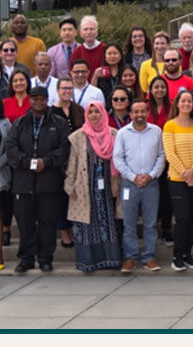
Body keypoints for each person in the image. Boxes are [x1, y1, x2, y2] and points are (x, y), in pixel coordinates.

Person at [3, 86, 70, 273]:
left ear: (47, 100)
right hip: (23, 183)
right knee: (25, 223)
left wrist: (46, 162)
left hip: (49, 182)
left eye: (42, 98)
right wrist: (28, 162)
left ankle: (45, 258)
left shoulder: (58, 123)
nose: (38, 102)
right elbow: (11, 147)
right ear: (29, 100)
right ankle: (26, 258)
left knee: (47, 222)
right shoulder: (19, 123)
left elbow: (64, 148)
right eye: (35, 98)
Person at [63, 101, 122, 272]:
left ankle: (110, 259)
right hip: (84, 186)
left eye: (97, 111)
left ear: (103, 113)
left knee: (107, 222)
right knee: (86, 225)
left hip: (108, 187)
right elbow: (73, 162)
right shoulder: (78, 136)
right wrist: (69, 184)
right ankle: (88, 262)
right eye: (91, 112)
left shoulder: (114, 134)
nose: (94, 115)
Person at [113, 99, 166, 272]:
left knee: (150, 223)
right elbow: (118, 159)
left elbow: (161, 156)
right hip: (130, 184)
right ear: (131, 114)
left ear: (147, 113)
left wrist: (150, 175)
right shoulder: (122, 133)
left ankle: (149, 257)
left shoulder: (156, 131)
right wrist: (133, 177)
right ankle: (130, 257)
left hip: (151, 183)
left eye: (142, 111)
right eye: (136, 112)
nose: (139, 115)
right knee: (129, 223)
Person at [163, 90, 193, 271]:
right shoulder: (170, 126)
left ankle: (188, 254)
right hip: (177, 179)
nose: (186, 104)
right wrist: (185, 174)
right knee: (183, 218)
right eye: (183, 101)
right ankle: (177, 256)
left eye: (190, 101)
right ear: (177, 104)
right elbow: (170, 153)